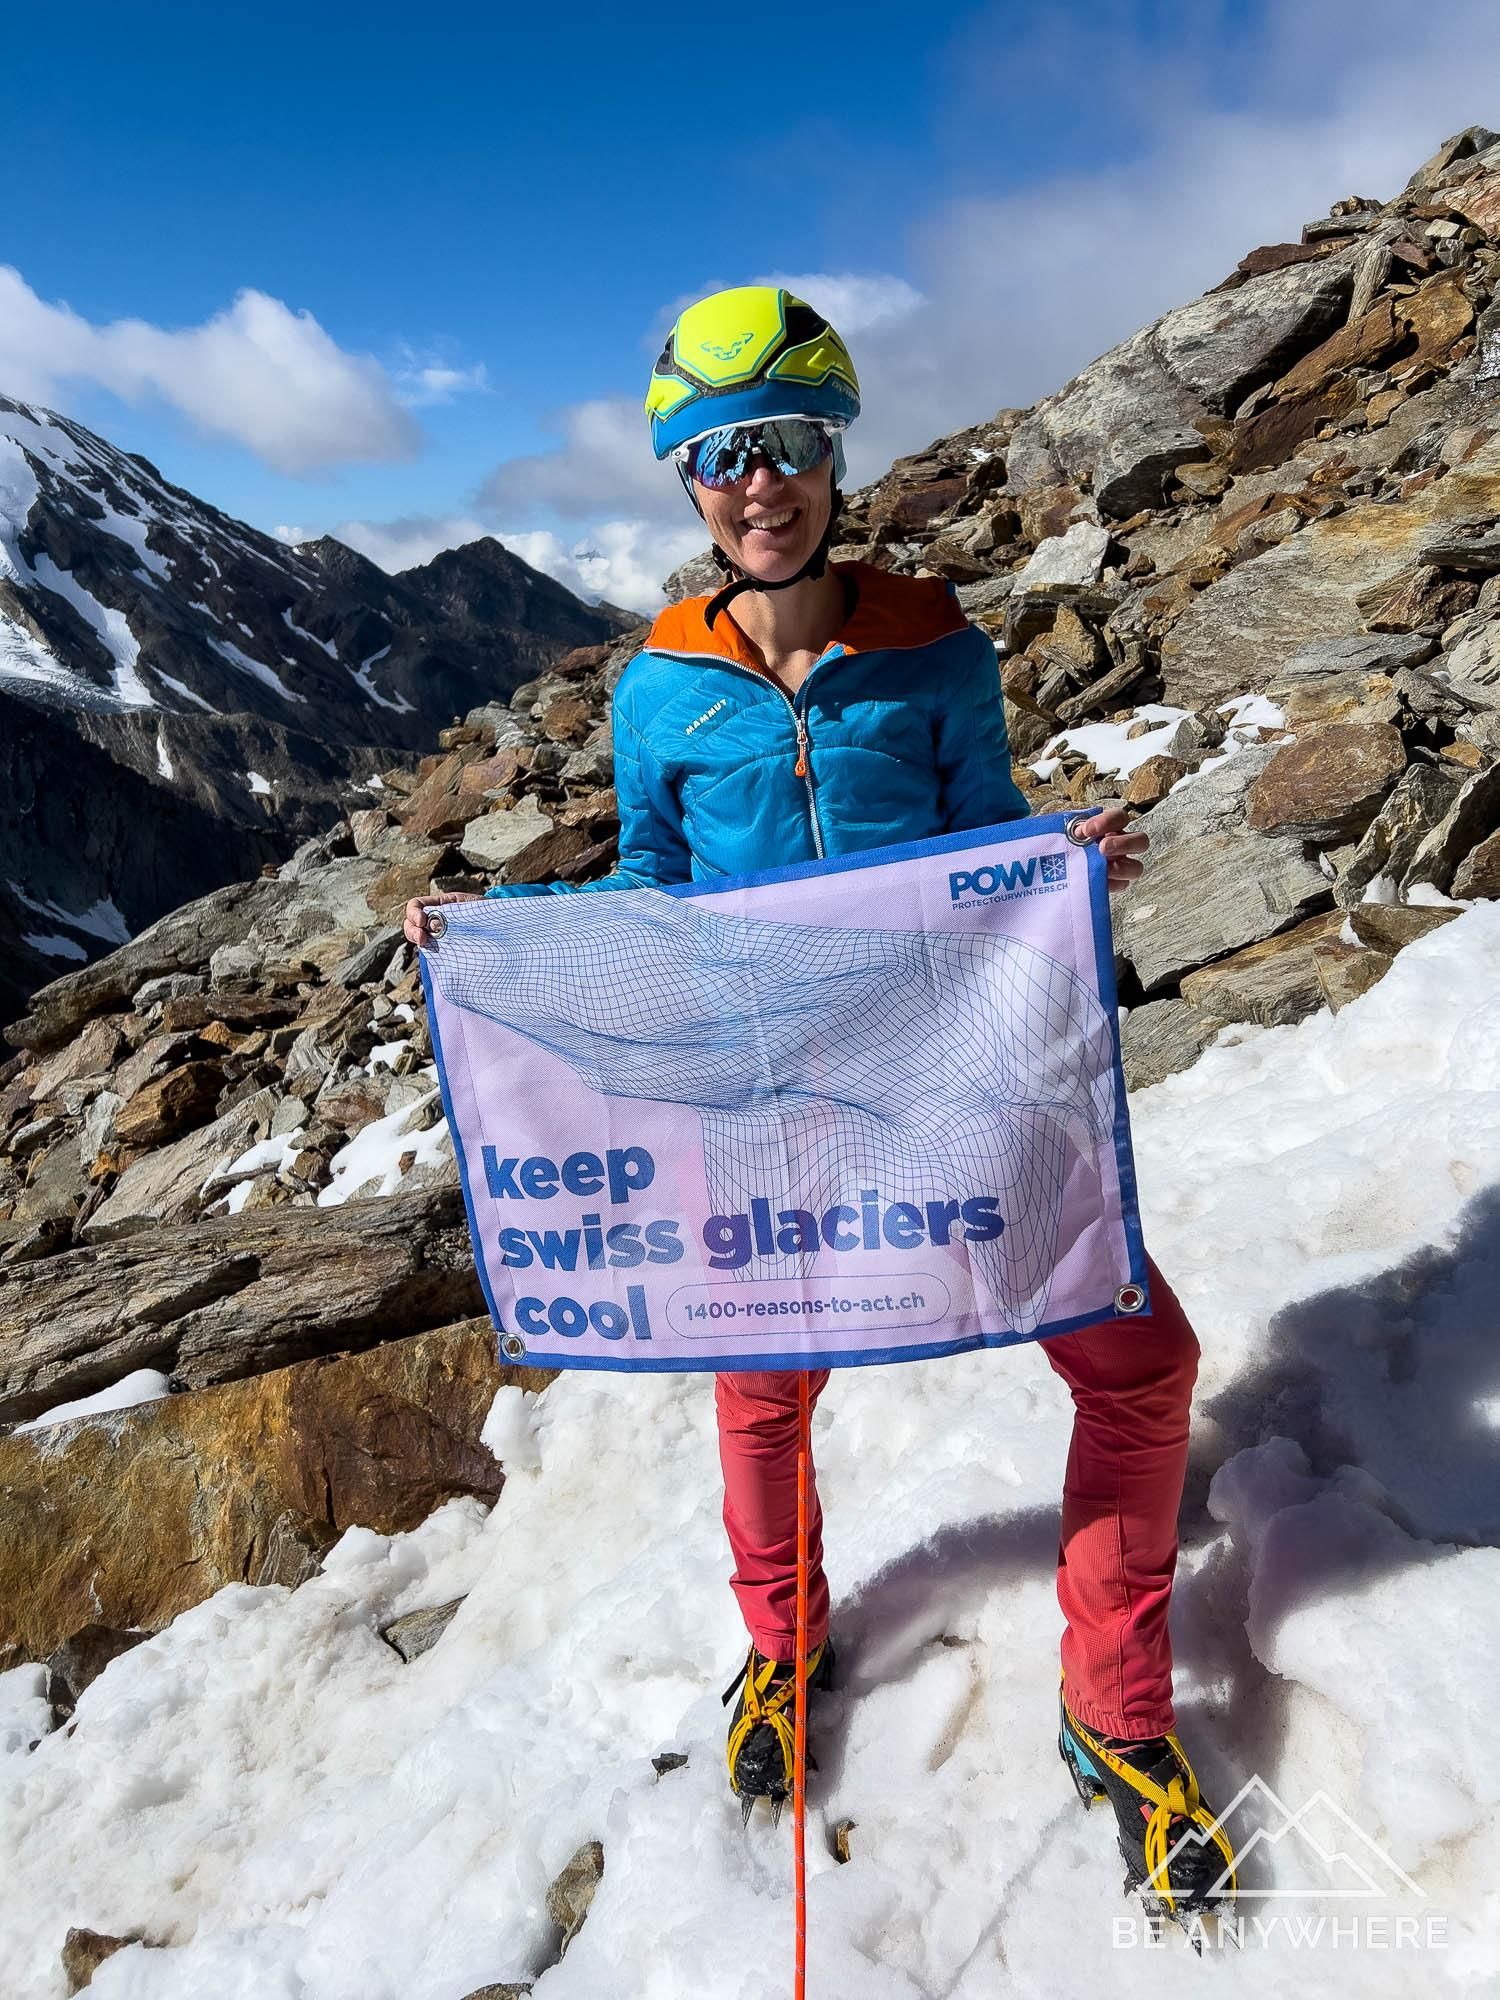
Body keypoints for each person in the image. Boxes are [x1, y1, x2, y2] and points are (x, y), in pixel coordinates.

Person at [403, 286, 1237, 1926]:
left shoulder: (936, 651)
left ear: (833, 454)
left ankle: (1115, 1709)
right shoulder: (658, 689)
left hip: (947, 1073)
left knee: (1140, 1356)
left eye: (784, 444)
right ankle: (783, 1649)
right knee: (763, 1393)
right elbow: (657, 892)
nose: (755, 482)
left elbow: (977, 833)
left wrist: (1059, 865)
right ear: (688, 484)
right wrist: (496, 949)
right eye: (718, 456)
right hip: (762, 1097)